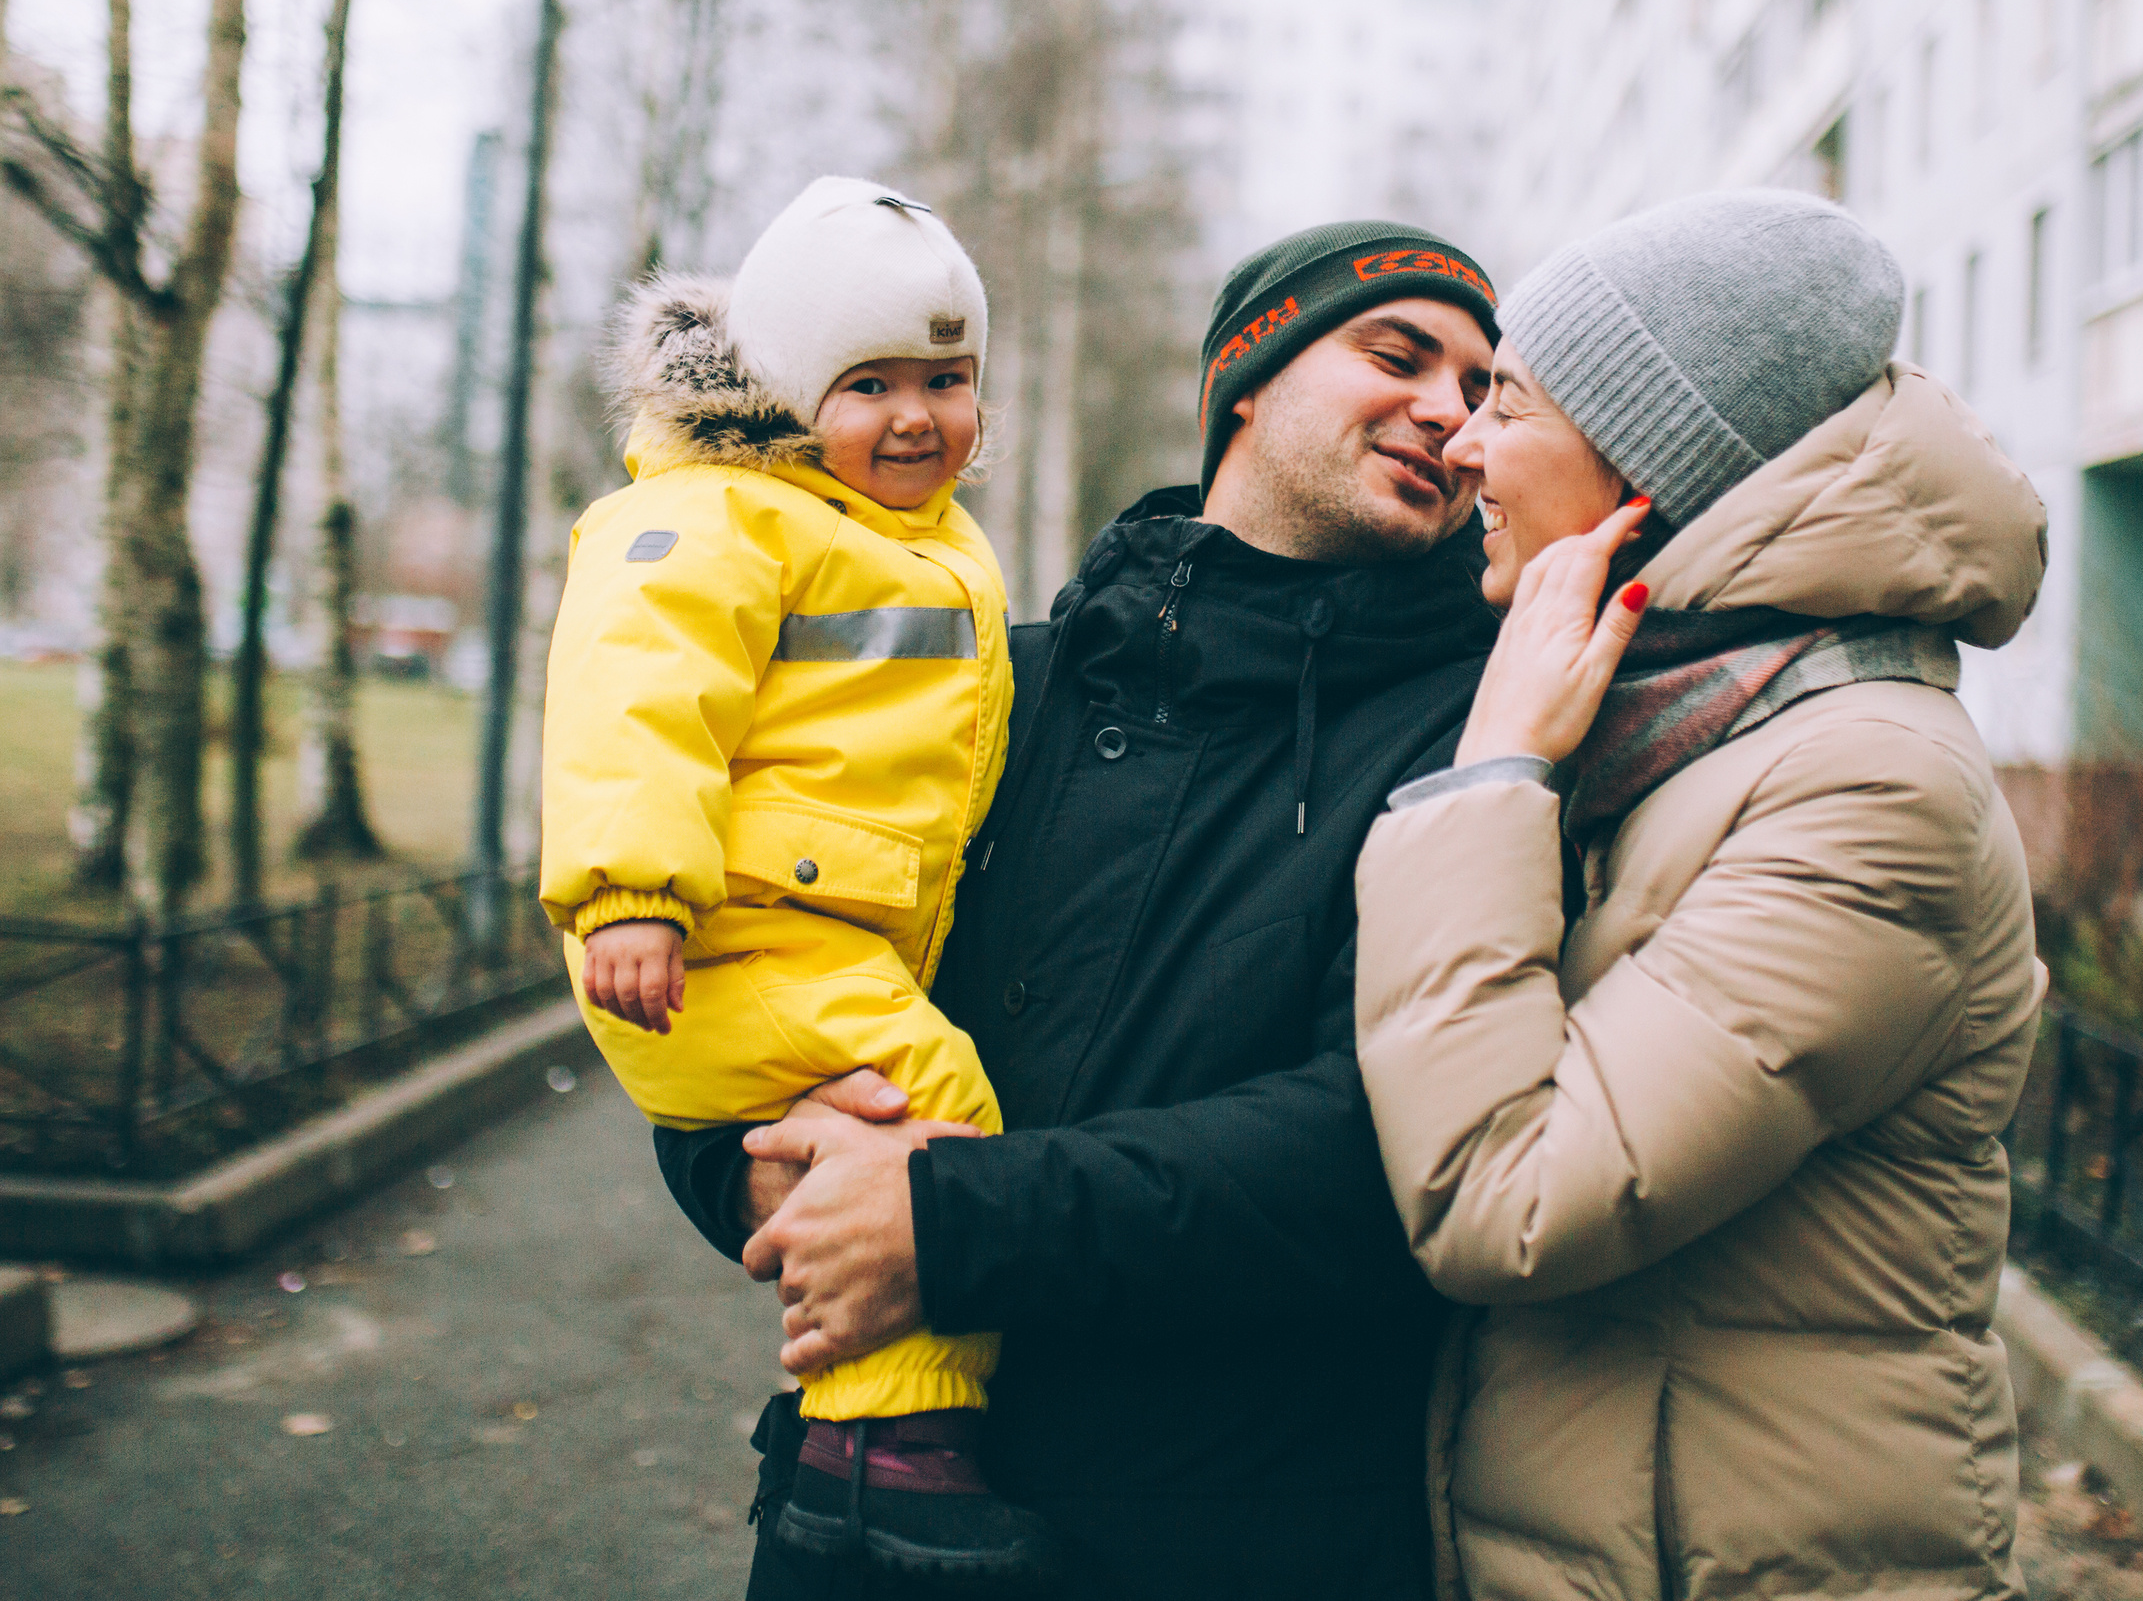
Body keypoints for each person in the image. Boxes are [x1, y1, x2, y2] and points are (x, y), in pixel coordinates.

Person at [654, 221, 1508, 1600]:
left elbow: (1394, 1142)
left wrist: (944, 1220)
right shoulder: (1005, 679)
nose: (1449, 414)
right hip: (856, 1530)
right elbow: (754, 953)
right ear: (1249, 379)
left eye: (1482, 388)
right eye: (1398, 353)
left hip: (1246, 1546)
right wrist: (756, 1174)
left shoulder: (1472, 737)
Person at [1353, 189, 2049, 1601]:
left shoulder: (1866, 782)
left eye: (1511, 401)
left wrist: (1492, 772)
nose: (1464, 441)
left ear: (1650, 471)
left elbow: (1513, 1196)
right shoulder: (1686, 723)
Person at [539, 178, 1059, 1587]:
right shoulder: (712, 517)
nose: (916, 416)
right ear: (779, 393)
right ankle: (889, 1453)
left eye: (947, 380)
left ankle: (867, 1448)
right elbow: (635, 697)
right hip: (714, 940)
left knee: (901, 1124)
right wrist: (633, 889)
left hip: (813, 942)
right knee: (939, 1111)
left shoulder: (922, 536)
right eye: (868, 382)